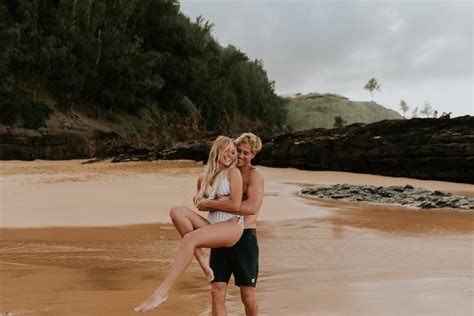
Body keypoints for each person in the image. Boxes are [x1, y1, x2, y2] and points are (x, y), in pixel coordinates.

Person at [134, 136, 245, 313]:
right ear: (218, 150)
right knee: (176, 211)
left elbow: (235, 205)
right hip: (213, 226)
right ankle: (201, 258)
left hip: (232, 226)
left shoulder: (233, 173)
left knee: (190, 238)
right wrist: (212, 201)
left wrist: (210, 202)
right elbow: (199, 204)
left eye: (233, 152)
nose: (231, 155)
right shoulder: (204, 178)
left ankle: (162, 292)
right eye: (228, 150)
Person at [198, 133, 264, 316]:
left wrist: (217, 203)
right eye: (238, 151)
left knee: (247, 296)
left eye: (246, 153)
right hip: (221, 234)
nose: (241, 156)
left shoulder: (254, 175)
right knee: (216, 291)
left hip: (245, 238)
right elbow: (203, 198)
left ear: (253, 155)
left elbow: (251, 207)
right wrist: (216, 201)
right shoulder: (224, 172)